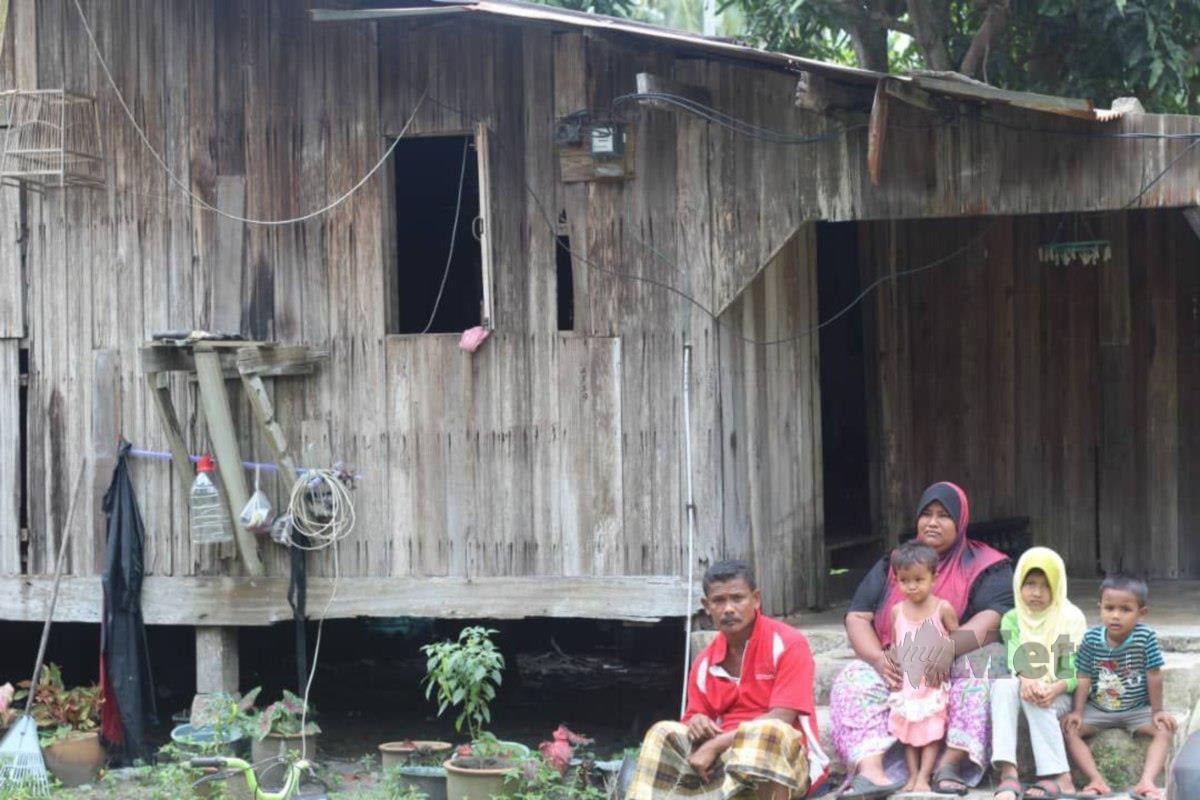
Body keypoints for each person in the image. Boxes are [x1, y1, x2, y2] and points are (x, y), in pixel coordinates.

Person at [829, 481, 1013, 798]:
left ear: (961, 521)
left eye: (943, 516)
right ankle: (873, 773)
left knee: (988, 659)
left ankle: (950, 764)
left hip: (951, 664)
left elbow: (994, 618)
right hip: (898, 670)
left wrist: (946, 648)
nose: (932, 522)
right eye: (926, 514)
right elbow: (858, 616)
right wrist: (877, 659)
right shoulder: (896, 563)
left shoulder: (987, 565)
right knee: (851, 678)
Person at [626, 560, 831, 800]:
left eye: (737, 598)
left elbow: (782, 718)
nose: (728, 609)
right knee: (662, 732)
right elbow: (693, 717)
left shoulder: (788, 644)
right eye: (719, 601)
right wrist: (698, 722)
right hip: (724, 762)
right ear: (706, 606)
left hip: (787, 764)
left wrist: (714, 745)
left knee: (770, 732)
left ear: (756, 599)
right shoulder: (704, 662)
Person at [1062, 575, 1177, 800]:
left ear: (1141, 613)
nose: (1115, 615)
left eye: (1125, 609)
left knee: (1164, 729)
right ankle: (1096, 780)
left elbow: (1154, 675)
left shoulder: (1146, 637)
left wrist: (1157, 711)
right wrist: (1077, 711)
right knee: (1069, 729)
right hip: (1099, 709)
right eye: (1109, 608)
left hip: (1136, 709)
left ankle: (1147, 782)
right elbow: (1083, 675)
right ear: (1100, 608)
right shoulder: (1092, 638)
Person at [990, 547, 1087, 800]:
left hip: (1061, 693)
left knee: (1034, 695)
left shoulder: (1068, 618)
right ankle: (1008, 773)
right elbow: (1015, 656)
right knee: (1004, 685)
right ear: (1019, 584)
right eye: (1030, 583)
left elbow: (1072, 671)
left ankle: (1060, 777)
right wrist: (1028, 677)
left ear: (1057, 587)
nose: (1037, 592)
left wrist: (1051, 688)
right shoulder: (1013, 618)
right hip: (1028, 683)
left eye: (1046, 585)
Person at [885, 542, 959, 793]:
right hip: (907, 683)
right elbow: (895, 646)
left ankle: (924, 777)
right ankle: (912, 776)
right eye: (905, 580)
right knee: (908, 732)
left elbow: (957, 641)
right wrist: (892, 672)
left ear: (934, 577)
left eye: (919, 579)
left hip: (933, 683)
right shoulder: (897, 612)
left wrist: (943, 658)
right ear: (896, 580)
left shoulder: (942, 609)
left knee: (931, 730)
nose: (912, 586)